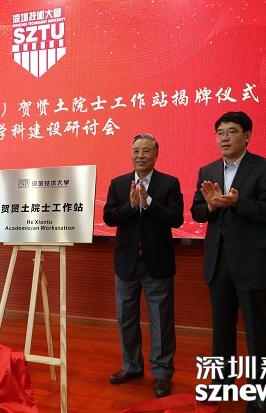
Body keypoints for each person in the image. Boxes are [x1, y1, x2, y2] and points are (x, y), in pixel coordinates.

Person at [190, 111, 266, 413]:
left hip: (253, 263)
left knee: (257, 331)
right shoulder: (207, 170)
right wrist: (210, 205)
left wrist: (238, 202)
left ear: (247, 136)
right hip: (218, 263)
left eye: (231, 131)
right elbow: (196, 212)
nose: (225, 138)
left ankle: (259, 392)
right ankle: (222, 383)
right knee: (221, 328)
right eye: (220, 133)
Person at [103, 133, 183, 398]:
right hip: (126, 263)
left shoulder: (169, 183)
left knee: (161, 321)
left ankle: (162, 373)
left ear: (156, 155)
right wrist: (131, 205)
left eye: (146, 151)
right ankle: (131, 366)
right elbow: (109, 217)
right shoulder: (118, 184)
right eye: (136, 150)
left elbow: (176, 219)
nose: (140, 155)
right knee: (125, 318)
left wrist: (148, 202)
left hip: (157, 263)